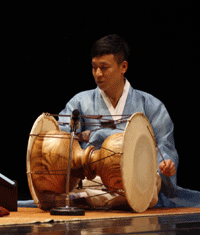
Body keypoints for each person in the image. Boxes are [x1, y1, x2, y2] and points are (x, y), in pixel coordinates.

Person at [58, 34, 200, 208]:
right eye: (94, 67)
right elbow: (63, 140)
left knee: (149, 182)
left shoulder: (151, 106)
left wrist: (165, 167)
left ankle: (92, 200)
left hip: (137, 177)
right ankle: (119, 200)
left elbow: (165, 146)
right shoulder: (80, 103)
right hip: (95, 180)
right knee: (83, 186)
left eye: (104, 67)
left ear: (123, 67)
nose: (98, 74)